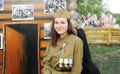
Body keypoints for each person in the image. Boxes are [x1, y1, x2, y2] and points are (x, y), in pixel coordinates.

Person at [42, 10, 83, 74]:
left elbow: (77, 70)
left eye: (62, 22)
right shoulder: (52, 42)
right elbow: (46, 64)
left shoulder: (76, 41)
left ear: (68, 24)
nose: (59, 26)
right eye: (56, 23)